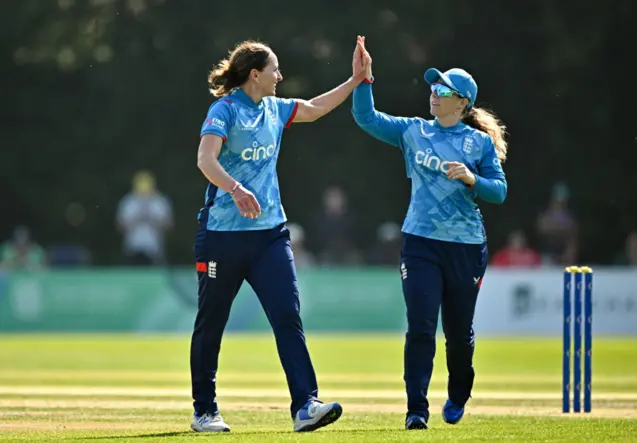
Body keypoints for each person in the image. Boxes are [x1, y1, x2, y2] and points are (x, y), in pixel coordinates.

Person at [190, 37, 370, 433]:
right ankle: (204, 410)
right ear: (255, 75)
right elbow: (206, 159)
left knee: (288, 316)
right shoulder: (224, 110)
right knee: (212, 322)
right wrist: (236, 189)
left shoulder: (275, 109)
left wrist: (356, 79)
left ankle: (306, 406)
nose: (280, 76)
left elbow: (317, 107)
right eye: (274, 70)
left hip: (270, 235)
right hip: (222, 236)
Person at [352, 37, 508, 430]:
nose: (433, 95)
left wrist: (473, 178)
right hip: (420, 243)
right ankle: (416, 409)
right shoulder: (413, 131)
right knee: (420, 327)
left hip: (466, 248)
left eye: (442, 90)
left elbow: (500, 191)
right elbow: (366, 119)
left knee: (458, 337)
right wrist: (363, 80)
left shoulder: (479, 143)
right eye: (432, 88)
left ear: (462, 102)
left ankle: (458, 394)